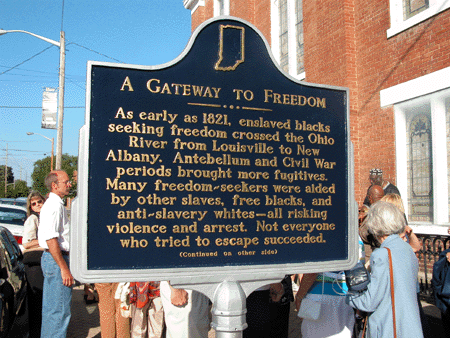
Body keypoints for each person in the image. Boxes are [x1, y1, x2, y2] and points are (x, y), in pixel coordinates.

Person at [347, 201, 423, 337]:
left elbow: (369, 302)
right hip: (411, 328)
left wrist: (349, 297)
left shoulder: (382, 254)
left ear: (375, 225)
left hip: (389, 328)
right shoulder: (407, 248)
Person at [295, 239, 365, 337]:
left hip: (318, 298)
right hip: (345, 298)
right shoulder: (356, 238)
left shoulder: (320, 234)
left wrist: (299, 297)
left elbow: (311, 273)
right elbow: (359, 276)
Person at [38, 170, 74, 337]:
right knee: (59, 313)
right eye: (65, 182)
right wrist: (63, 267)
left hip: (53, 260)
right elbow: (51, 239)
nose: (69, 184)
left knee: (53, 311)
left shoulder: (55, 204)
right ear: (54, 185)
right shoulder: (53, 206)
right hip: (56, 260)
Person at [22, 191, 46, 338]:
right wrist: (45, 240)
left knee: (42, 303)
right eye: (33, 204)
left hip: (42, 263)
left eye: (39, 202)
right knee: (36, 303)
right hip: (34, 265)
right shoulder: (33, 219)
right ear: (30, 207)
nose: (37, 205)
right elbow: (26, 243)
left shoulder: (45, 217)